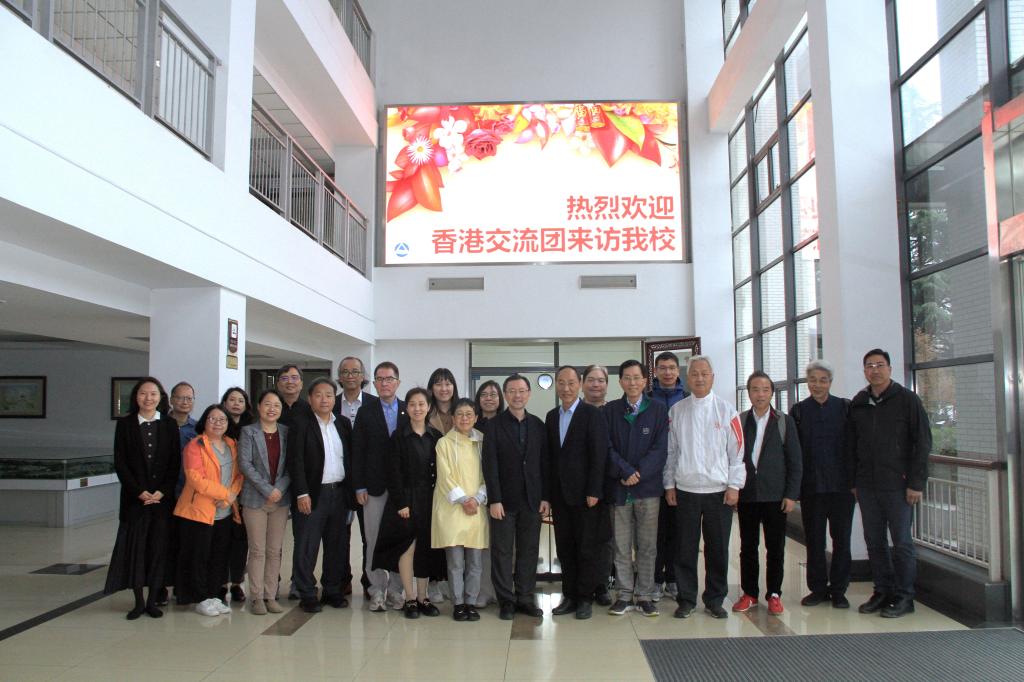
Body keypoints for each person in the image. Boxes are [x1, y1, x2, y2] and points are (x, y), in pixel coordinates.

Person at [847, 348, 931, 619]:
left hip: (899, 486)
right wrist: (854, 481)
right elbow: (851, 445)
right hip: (867, 486)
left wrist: (916, 483)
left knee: (902, 542)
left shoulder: (907, 400)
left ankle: (905, 596)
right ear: (864, 371)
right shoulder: (859, 402)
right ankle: (882, 591)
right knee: (874, 541)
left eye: (880, 365)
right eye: (870, 366)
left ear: (890, 369)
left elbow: (922, 443)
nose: (875, 370)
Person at [663, 355, 744, 619]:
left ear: (712, 377)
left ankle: (714, 599)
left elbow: (736, 453)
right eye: (694, 374)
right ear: (687, 378)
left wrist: (734, 485)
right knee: (685, 549)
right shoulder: (677, 411)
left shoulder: (727, 411)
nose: (699, 378)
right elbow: (671, 452)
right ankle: (686, 599)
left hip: (718, 492)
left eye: (704, 374)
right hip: (685, 490)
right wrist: (669, 484)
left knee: (717, 549)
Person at [104, 377, 181, 619]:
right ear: (136, 397)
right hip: (134, 501)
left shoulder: (169, 424)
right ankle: (138, 602)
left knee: (158, 550)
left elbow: (174, 463)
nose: (148, 398)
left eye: (153, 394)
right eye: (143, 393)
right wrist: (138, 491)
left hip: (161, 501)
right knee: (136, 552)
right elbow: (121, 462)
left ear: (161, 398)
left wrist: (161, 491)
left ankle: (153, 600)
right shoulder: (125, 424)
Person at [372, 388, 446, 618]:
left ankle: (423, 597)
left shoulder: (436, 436)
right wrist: (401, 502)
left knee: (426, 548)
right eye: (412, 404)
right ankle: (410, 598)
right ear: (407, 408)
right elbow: (392, 472)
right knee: (408, 547)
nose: (417, 408)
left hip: (430, 500)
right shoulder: (399, 436)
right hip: (405, 500)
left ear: (428, 407)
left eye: (422, 404)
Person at [733, 371, 801, 616]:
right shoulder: (740, 420)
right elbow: (732, 457)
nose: (760, 394)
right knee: (748, 547)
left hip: (775, 496)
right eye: (755, 389)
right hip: (748, 495)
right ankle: (749, 593)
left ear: (772, 393)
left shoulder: (784, 421)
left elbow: (795, 461)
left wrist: (791, 494)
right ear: (748, 392)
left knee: (775, 547)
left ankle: (774, 593)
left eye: (765, 390)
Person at [605, 360, 669, 617]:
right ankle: (623, 594)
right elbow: (606, 447)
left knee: (647, 546)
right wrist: (625, 471)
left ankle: (644, 594)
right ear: (620, 381)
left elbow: (661, 448)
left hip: (648, 489)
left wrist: (638, 473)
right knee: (621, 546)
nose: (632, 382)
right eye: (627, 378)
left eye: (637, 377)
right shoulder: (610, 410)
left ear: (645, 381)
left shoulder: (658, 410)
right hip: (620, 489)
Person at [545, 365, 610, 620]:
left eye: (571, 383)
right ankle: (569, 595)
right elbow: (551, 458)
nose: (566, 388)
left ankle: (585, 598)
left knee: (587, 548)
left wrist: (595, 489)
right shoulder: (552, 416)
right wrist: (548, 495)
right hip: (561, 496)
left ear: (580, 384)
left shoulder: (591, 414)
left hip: (586, 496)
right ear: (556, 386)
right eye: (561, 383)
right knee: (565, 548)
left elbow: (599, 454)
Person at [482, 374, 548, 620]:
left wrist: (545, 497)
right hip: (504, 501)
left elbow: (545, 464)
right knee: (502, 552)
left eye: (522, 391)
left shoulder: (538, 425)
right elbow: (490, 465)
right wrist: (494, 499)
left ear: (529, 394)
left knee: (528, 550)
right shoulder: (494, 426)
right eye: (512, 391)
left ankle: (525, 597)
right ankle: (506, 600)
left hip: (532, 499)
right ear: (505, 395)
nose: (517, 395)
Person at [791, 359, 855, 609]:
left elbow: (853, 446)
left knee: (842, 541)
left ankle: (839, 590)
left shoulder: (845, 408)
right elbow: (795, 452)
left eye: (823, 380)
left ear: (830, 382)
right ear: (807, 382)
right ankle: (817, 589)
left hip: (842, 489)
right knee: (814, 541)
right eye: (812, 380)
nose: (817, 385)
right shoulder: (799, 411)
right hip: (812, 489)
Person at [288, 378, 354, 614]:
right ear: (310, 399)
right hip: (313, 494)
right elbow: (295, 460)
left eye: (329, 395)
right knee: (307, 545)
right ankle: (307, 592)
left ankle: (332, 590)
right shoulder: (301, 424)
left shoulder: (343, 424)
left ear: (334, 399)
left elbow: (350, 458)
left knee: (337, 545)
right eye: (318, 395)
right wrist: (301, 493)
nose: (324, 399)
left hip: (339, 493)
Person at [174, 404, 243, 617]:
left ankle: (213, 596)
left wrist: (231, 495)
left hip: (225, 512)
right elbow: (195, 479)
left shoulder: (232, 445)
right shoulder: (195, 445)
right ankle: (200, 597)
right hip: (199, 511)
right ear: (204, 422)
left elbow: (239, 475)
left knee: (219, 557)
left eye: (222, 419)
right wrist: (225, 494)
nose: (217, 423)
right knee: (198, 556)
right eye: (212, 419)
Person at [352, 361, 406, 611]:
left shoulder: (408, 409)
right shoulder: (366, 412)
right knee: (372, 540)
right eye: (380, 379)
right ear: (374, 383)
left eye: (389, 379)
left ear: (398, 382)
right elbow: (358, 451)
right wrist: (359, 486)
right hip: (373, 487)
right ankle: (376, 590)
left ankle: (396, 590)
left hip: (401, 489)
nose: (385, 383)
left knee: (399, 540)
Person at [432, 398, 489, 621]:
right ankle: (458, 603)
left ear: (476, 418)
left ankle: (471, 602)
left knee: (475, 561)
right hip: (453, 508)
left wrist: (478, 498)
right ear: (453, 418)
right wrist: (464, 499)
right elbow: (444, 476)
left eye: (469, 414)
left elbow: (488, 473)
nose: (464, 418)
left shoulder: (482, 442)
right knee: (455, 562)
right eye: (460, 414)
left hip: (476, 507)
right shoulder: (444, 443)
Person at [237, 389, 291, 615]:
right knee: (257, 550)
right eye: (267, 404)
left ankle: (270, 595)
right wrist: (268, 489)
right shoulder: (248, 432)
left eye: (276, 405)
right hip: (255, 499)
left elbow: (291, 464)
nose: (272, 409)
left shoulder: (286, 432)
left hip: (280, 499)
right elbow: (245, 464)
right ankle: (257, 597)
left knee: (275, 550)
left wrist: (279, 488)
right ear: (258, 407)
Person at [648, 351, 689, 602]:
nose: (667, 372)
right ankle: (654, 579)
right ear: (655, 371)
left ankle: (673, 578)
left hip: (681, 476)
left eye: (671, 368)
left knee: (678, 531)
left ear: (677, 370)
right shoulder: (647, 399)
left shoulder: (688, 399)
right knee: (654, 532)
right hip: (652, 477)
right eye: (662, 368)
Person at [333, 355, 373, 598]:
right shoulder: (331, 404)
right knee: (340, 535)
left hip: (368, 481)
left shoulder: (374, 404)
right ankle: (342, 580)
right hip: (340, 481)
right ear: (339, 377)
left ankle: (369, 582)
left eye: (355, 372)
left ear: (362, 376)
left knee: (369, 536)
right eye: (345, 372)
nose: (350, 376)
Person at [581, 363, 614, 607]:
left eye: (600, 380)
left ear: (607, 385)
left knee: (605, 539)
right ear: (583, 384)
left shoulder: (613, 412)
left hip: (610, 485)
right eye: (591, 380)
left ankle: (602, 585)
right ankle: (580, 585)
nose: (595, 384)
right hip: (579, 488)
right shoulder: (575, 412)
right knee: (581, 539)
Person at [220, 386, 252, 603]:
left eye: (240, 400)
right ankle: (221, 583)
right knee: (222, 540)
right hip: (221, 493)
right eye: (232, 400)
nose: (236, 404)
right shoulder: (218, 427)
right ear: (224, 403)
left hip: (245, 492)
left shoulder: (251, 428)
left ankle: (237, 583)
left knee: (241, 541)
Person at [276, 364, 314, 429]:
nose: (290, 382)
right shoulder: (271, 409)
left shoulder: (310, 410)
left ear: (301, 384)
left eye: (294, 378)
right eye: (284, 378)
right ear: (278, 385)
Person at [427, 367, 459, 435]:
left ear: (454, 387)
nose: (444, 389)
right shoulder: (425, 412)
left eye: (447, 384)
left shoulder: (462, 410)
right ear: (431, 388)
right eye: (438, 384)